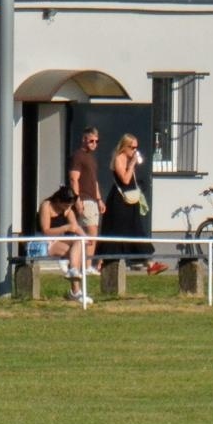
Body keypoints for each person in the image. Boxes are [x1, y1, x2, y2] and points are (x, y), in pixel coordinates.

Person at [94, 133, 166, 274]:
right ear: (124, 147)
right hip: (119, 202)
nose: (134, 150)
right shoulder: (119, 159)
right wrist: (132, 164)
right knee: (114, 231)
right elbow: (125, 180)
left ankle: (150, 263)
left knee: (136, 230)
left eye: (136, 148)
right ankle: (102, 263)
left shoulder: (128, 158)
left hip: (130, 202)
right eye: (132, 147)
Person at [32, 186, 92, 306]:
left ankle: (73, 272)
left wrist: (85, 237)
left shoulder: (68, 209)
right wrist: (65, 228)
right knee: (74, 255)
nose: (68, 208)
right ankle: (76, 290)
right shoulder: (46, 206)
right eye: (66, 205)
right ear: (59, 201)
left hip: (59, 240)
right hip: (45, 242)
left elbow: (75, 227)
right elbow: (46, 231)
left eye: (70, 205)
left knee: (78, 243)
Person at [66, 125, 103, 267]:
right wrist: (77, 200)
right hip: (84, 198)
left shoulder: (91, 158)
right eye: (91, 141)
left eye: (96, 141)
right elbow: (73, 179)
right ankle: (86, 266)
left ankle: (84, 265)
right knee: (90, 232)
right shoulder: (78, 156)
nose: (94, 144)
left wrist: (99, 199)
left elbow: (94, 181)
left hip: (93, 199)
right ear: (84, 139)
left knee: (91, 233)